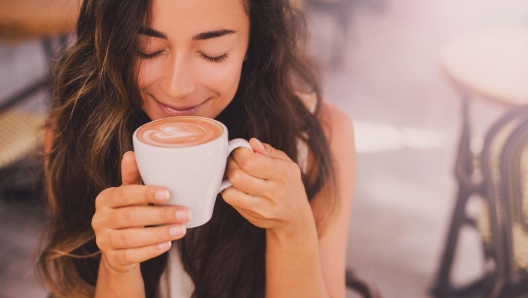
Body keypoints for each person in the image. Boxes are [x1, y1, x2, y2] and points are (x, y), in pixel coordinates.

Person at [38, 0, 355, 297]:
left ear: (252, 44)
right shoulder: (75, 135)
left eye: (213, 52)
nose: (177, 88)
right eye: (146, 49)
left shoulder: (318, 140)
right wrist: (117, 266)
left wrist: (293, 229)